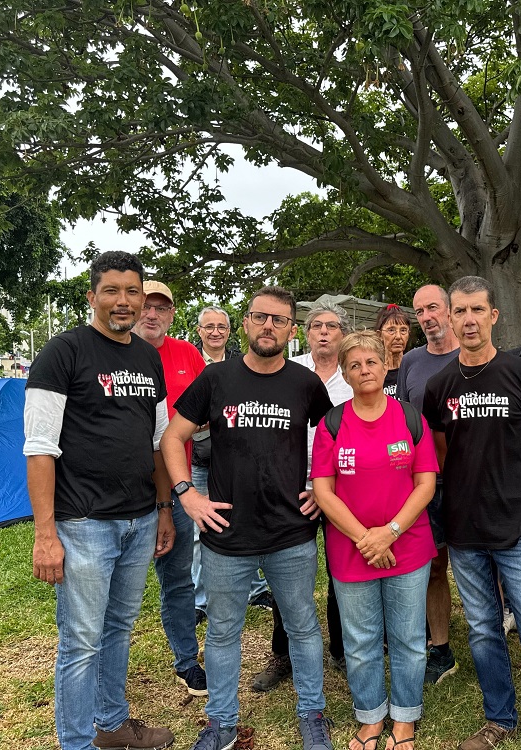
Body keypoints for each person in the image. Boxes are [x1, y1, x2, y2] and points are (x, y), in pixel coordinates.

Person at [161, 285, 335, 750]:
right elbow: (172, 437)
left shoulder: (304, 383)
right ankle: (220, 723)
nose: (268, 326)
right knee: (222, 632)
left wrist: (325, 491)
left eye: (279, 320)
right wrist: (187, 494)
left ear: (291, 330)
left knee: (302, 626)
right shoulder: (216, 378)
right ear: (246, 322)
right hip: (226, 534)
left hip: (291, 532)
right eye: (260, 317)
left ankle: (312, 713)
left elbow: (337, 437)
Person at [23, 251, 175, 750]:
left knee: (119, 629)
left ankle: (111, 725)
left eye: (132, 291)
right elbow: (39, 448)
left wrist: (164, 509)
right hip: (83, 522)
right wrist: (46, 535)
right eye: (111, 290)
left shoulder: (147, 357)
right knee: (82, 642)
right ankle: (76, 742)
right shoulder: (63, 352)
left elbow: (158, 442)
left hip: (139, 520)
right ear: (92, 297)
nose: (123, 301)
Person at [422, 276, 521, 750]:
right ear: (450, 318)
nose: (468, 319)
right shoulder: (439, 385)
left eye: (477, 310)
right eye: (460, 311)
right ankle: (499, 719)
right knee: (483, 631)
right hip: (465, 527)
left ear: (493, 316)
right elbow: (443, 455)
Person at [311, 330, 438, 750]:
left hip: (407, 544)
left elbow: (425, 483)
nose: (364, 370)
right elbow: (323, 490)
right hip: (352, 549)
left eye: (371, 362)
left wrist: (390, 532)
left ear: (385, 367)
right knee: (360, 641)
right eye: (354, 365)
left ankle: (404, 717)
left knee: (407, 638)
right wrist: (366, 539)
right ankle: (370, 716)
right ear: (345, 374)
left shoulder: (410, 418)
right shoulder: (332, 424)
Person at [251, 300, 353, 692]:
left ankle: (342, 648)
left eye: (332, 326)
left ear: (342, 334)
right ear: (304, 333)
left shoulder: (353, 376)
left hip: (342, 485)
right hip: (292, 486)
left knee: (342, 569)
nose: (324, 332)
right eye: (316, 326)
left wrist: (327, 486)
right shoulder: (287, 372)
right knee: (286, 572)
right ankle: (283, 653)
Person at [133, 280, 208, 697]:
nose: (151, 314)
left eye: (161, 308)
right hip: (123, 488)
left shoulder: (187, 355)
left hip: (178, 484)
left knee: (178, 577)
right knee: (116, 586)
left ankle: (186, 661)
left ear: (172, 314)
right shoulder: (116, 354)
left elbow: (208, 409)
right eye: (146, 305)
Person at [395, 283, 461, 685]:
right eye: (419, 311)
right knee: (434, 564)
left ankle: (492, 636)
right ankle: (441, 648)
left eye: (432, 308)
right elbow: (402, 419)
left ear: (450, 310)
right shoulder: (411, 361)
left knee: (481, 564)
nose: (426, 317)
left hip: (471, 478)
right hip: (426, 479)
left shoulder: (473, 356)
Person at [188, 308, 271, 622]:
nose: (215, 332)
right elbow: (184, 415)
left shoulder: (242, 363)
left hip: (239, 462)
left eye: (221, 327)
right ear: (199, 331)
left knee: (246, 521)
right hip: (201, 460)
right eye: (209, 327)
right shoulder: (191, 363)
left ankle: (255, 589)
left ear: (230, 330)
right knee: (200, 530)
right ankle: (200, 600)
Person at [374, 304, 411, 397]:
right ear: (379, 335)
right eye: (391, 330)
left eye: (403, 330)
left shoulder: (413, 368)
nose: (398, 336)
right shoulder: (373, 371)